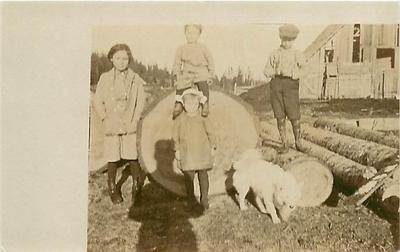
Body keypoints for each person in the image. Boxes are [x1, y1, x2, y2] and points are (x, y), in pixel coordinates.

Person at [93, 43, 146, 204]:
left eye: (125, 58)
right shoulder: (105, 78)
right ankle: (112, 187)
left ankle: (137, 187)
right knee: (113, 157)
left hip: (129, 122)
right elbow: (98, 100)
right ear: (111, 59)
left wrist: (135, 119)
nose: (122, 61)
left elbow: (140, 101)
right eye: (118, 58)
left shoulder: (135, 79)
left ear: (129, 59)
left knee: (132, 156)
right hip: (112, 123)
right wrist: (104, 117)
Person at [264, 24, 308, 153]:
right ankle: (284, 143)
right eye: (284, 39)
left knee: (294, 116)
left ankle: (298, 141)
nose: (286, 43)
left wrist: (295, 74)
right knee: (280, 115)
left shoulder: (297, 54)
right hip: (277, 84)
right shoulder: (274, 53)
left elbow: (304, 69)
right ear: (280, 39)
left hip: (291, 85)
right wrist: (273, 71)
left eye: (289, 40)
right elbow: (266, 69)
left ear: (294, 40)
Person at [172, 88, 217, 210]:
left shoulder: (203, 117)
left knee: (203, 175)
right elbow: (175, 136)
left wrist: (213, 146)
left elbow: (210, 132)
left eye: (194, 104)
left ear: (199, 104)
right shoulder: (180, 119)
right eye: (188, 104)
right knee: (189, 177)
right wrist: (177, 150)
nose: (191, 107)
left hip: (201, 151)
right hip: (187, 153)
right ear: (183, 104)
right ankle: (191, 199)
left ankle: (204, 199)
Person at [172, 24, 215, 119]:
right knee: (181, 83)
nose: (191, 35)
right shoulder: (181, 48)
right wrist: (177, 74)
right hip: (187, 71)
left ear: (199, 35)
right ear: (185, 34)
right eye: (189, 33)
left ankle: (205, 104)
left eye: (194, 33)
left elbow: (210, 60)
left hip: (201, 71)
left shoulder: (203, 47)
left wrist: (210, 74)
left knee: (203, 84)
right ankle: (179, 103)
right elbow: (177, 62)